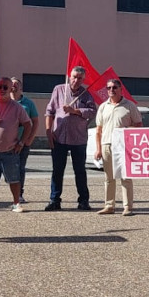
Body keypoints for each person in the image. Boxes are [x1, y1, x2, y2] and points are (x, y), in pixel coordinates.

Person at [0, 76, 38, 204]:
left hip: (10, 149)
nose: (2, 89)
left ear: (11, 89)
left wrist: (23, 142)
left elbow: (29, 124)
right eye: (0, 87)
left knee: (14, 178)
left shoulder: (18, 106)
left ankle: (16, 202)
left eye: (5, 87)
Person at [45, 66, 97, 211]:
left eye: (80, 78)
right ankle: (54, 200)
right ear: (69, 76)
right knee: (57, 171)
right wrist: (49, 132)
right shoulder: (59, 89)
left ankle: (83, 200)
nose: (76, 80)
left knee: (80, 171)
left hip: (78, 139)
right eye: (74, 77)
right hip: (59, 137)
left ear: (83, 79)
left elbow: (93, 112)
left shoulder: (86, 94)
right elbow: (49, 111)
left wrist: (74, 111)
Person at [94, 79, 142, 216]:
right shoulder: (103, 107)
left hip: (123, 146)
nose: (111, 90)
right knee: (109, 177)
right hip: (107, 145)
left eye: (114, 87)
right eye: (108, 87)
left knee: (125, 177)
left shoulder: (129, 106)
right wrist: (98, 149)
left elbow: (139, 125)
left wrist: (126, 129)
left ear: (121, 89)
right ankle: (109, 205)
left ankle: (128, 207)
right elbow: (99, 130)